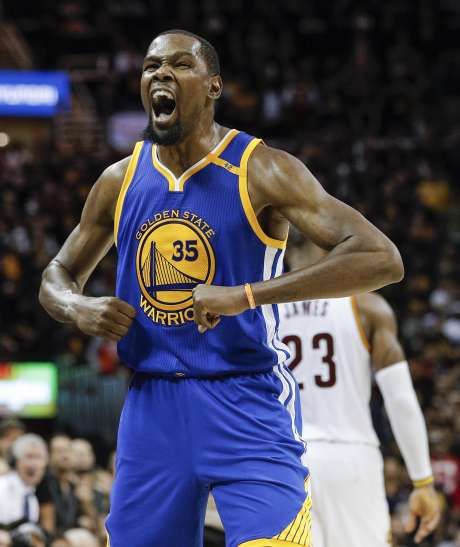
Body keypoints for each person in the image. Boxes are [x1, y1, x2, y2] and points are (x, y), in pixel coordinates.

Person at [39, 29, 403, 547]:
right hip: (152, 407)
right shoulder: (118, 181)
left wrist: (246, 295)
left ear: (213, 86)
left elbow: (380, 257)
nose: (161, 74)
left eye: (180, 65)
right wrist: (77, 307)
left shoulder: (262, 169)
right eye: (150, 67)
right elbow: (55, 275)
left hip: (245, 398)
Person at [279, 239, 440, 547]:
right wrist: (422, 481)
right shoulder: (366, 306)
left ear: (286, 250)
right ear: (333, 249)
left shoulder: (263, 312)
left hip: (285, 457)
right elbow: (401, 400)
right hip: (352, 457)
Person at [0, 435, 48, 527]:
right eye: (29, 457)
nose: (34, 464)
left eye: (39, 457)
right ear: (16, 461)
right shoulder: (2, 486)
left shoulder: (31, 498)